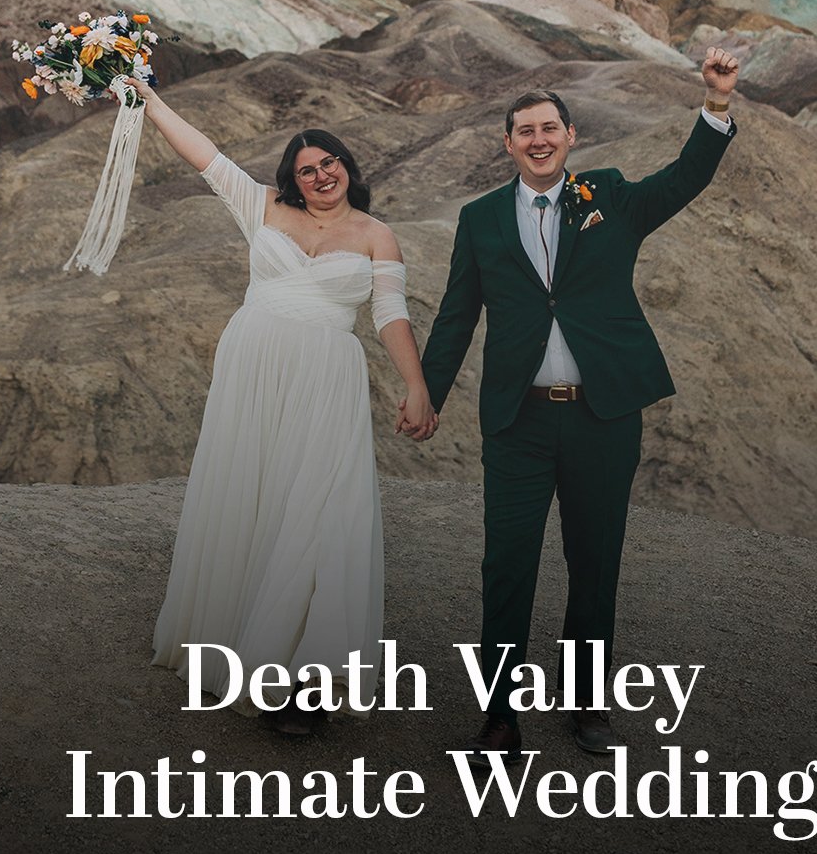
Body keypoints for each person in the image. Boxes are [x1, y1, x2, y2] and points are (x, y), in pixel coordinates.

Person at [410, 48, 738, 762]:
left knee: (595, 560)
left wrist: (713, 107)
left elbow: (684, 179)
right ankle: (499, 717)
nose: (538, 139)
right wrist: (426, 395)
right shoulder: (481, 219)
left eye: (549, 127)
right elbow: (457, 317)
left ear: (570, 136)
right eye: (523, 129)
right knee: (507, 566)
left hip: (603, 415)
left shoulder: (609, 198)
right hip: (518, 421)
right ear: (508, 144)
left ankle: (587, 700)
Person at [122, 76, 438, 734]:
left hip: (327, 374)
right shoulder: (260, 205)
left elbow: (389, 314)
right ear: (291, 179)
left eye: (329, 164)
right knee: (253, 493)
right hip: (254, 364)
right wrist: (149, 101)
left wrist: (417, 386)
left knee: (321, 510)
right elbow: (203, 154)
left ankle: (305, 678)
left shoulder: (378, 235)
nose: (320, 176)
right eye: (307, 170)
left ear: (348, 168)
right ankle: (243, 648)